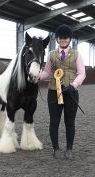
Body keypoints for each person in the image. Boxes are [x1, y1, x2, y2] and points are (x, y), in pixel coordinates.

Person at [39, 24, 86, 159]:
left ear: (70, 39)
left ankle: (69, 149)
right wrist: (37, 77)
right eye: (61, 37)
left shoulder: (76, 54)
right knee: (54, 121)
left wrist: (74, 84)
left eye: (66, 37)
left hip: (71, 92)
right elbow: (47, 72)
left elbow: (82, 73)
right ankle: (56, 149)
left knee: (70, 121)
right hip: (54, 91)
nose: (63, 40)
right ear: (57, 39)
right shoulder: (52, 55)